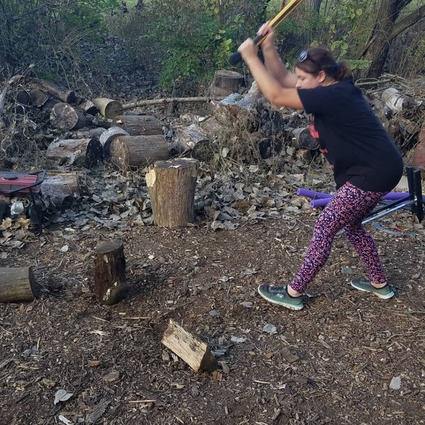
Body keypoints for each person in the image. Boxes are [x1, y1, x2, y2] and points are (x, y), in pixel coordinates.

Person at [237, 23, 404, 310]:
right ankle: (380, 284)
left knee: (326, 225)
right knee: (352, 227)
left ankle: (293, 293)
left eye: (303, 78)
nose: (298, 83)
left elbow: (276, 94)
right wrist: (268, 46)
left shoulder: (334, 96)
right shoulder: (332, 88)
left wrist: (251, 58)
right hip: (378, 168)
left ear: (322, 76)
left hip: (373, 173)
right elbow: (283, 79)